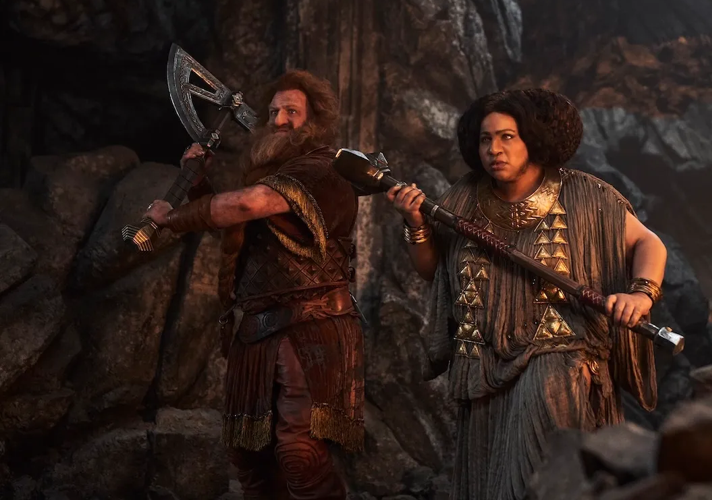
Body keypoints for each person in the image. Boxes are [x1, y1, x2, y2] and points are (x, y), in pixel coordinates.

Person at [385, 89, 665, 500]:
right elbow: (435, 272)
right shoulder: (462, 197)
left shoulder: (586, 195)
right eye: (485, 139)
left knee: (544, 463)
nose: (494, 149)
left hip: (558, 352)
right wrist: (416, 224)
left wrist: (641, 295)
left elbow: (647, 242)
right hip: (482, 361)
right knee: (492, 477)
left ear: (532, 139)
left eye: (507, 137)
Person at [145, 70, 362, 500]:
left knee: (300, 454)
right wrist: (199, 183)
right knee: (251, 460)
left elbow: (245, 205)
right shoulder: (274, 177)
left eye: (291, 111)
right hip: (258, 331)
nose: (278, 120)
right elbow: (241, 226)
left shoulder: (322, 168)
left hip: (309, 329)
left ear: (316, 120)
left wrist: (171, 217)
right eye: (273, 112)